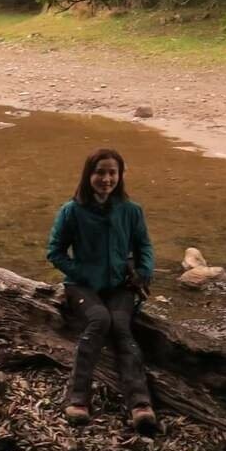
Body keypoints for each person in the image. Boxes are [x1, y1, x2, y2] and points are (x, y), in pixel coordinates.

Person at [46, 148, 157, 433]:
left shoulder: (131, 211)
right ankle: (77, 397)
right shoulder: (71, 211)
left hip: (120, 286)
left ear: (120, 176)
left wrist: (143, 272)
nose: (106, 179)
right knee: (100, 320)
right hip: (81, 286)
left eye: (112, 173)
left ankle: (140, 404)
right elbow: (55, 252)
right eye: (100, 172)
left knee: (120, 325)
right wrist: (82, 273)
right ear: (88, 175)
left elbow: (144, 246)